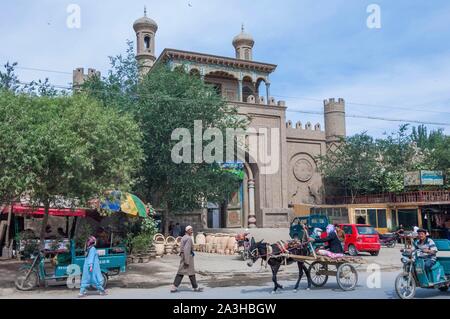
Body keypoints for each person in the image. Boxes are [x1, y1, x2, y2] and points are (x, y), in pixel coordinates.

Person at [170, 225, 202, 292]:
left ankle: (195, 287)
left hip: (184, 257)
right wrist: (186, 261)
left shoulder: (184, 237)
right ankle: (174, 287)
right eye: (190, 230)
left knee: (188, 273)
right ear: (187, 231)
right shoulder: (188, 238)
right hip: (187, 258)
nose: (192, 231)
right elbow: (186, 250)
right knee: (183, 273)